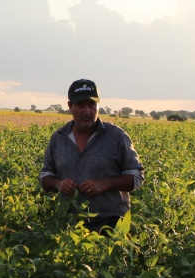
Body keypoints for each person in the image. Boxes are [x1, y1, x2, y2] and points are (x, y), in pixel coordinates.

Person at [39, 79, 144, 233]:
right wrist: (59, 184)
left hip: (111, 225)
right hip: (69, 227)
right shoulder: (59, 138)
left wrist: (104, 184)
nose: (87, 111)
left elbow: (137, 177)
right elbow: (45, 177)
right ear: (70, 106)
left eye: (91, 105)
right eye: (80, 105)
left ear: (98, 105)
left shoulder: (116, 136)